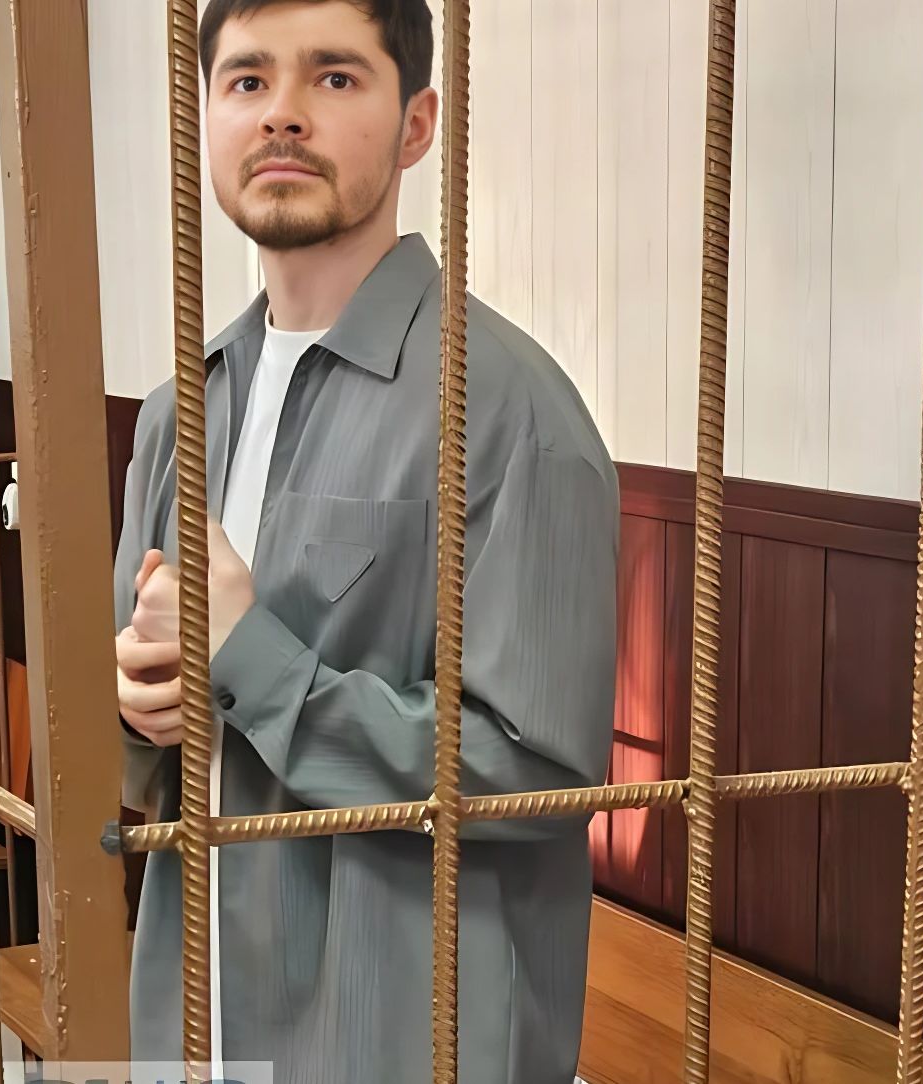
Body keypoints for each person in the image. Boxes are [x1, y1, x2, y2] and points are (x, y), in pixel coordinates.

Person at [111, 1, 618, 1079]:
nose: (282, 114)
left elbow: (537, 772)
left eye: (334, 77)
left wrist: (251, 656)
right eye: (248, 80)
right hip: (192, 1016)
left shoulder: (509, 410)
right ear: (208, 116)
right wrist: (137, 708)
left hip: (395, 1036)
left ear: (416, 123)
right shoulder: (175, 414)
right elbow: (137, 757)